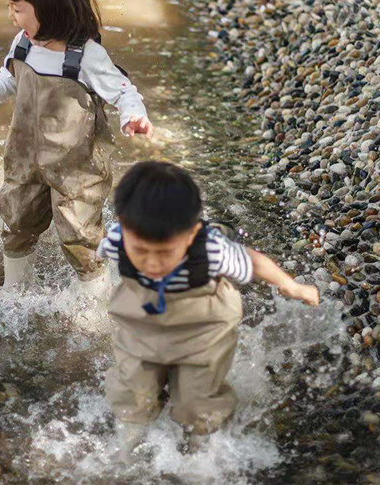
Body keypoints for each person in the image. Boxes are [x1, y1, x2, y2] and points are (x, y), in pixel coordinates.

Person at [0, 0, 154, 293]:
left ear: (51, 8)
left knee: (79, 233)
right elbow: (8, 78)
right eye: (9, 7)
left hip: (75, 165)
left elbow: (123, 91)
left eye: (17, 9)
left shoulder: (86, 56)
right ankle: (13, 290)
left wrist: (134, 117)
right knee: (16, 219)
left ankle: (94, 306)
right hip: (25, 156)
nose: (11, 16)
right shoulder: (24, 44)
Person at [98, 161, 320, 451]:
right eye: (140, 251)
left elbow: (252, 261)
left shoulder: (210, 248)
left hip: (203, 328)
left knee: (198, 400)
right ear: (123, 225)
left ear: (190, 234)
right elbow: (99, 254)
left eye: (165, 253)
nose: (152, 263)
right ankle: (129, 440)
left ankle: (203, 446)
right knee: (131, 392)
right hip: (142, 324)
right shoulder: (118, 238)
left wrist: (289, 284)